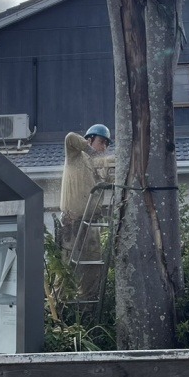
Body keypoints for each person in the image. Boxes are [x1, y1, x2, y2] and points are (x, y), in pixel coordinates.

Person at [60, 123, 113, 301]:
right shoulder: (75, 156)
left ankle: (88, 309)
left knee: (93, 267)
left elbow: (113, 179)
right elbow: (70, 137)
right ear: (90, 139)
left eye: (106, 143)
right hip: (72, 222)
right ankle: (60, 309)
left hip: (92, 224)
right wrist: (90, 151)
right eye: (101, 141)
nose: (104, 147)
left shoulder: (100, 165)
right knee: (67, 268)